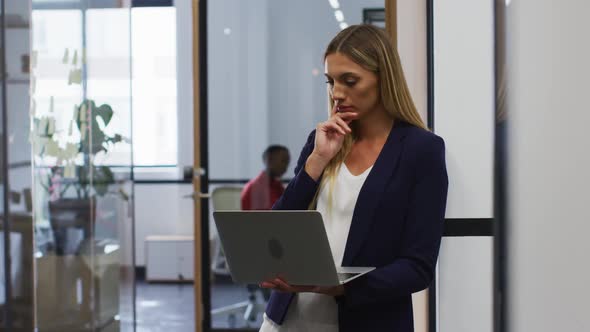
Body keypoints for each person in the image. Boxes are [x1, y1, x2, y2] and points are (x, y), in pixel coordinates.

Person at [259, 24, 448, 332]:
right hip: (287, 319)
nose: (337, 93)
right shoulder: (321, 142)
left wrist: (344, 287)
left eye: (349, 81)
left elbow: (418, 267)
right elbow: (279, 228)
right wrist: (317, 161)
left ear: (383, 78)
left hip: (366, 320)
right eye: (331, 81)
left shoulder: (421, 150)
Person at [241, 145, 290, 211]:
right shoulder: (256, 188)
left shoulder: (277, 186)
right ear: (269, 160)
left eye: (287, 162)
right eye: (283, 161)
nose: (286, 166)